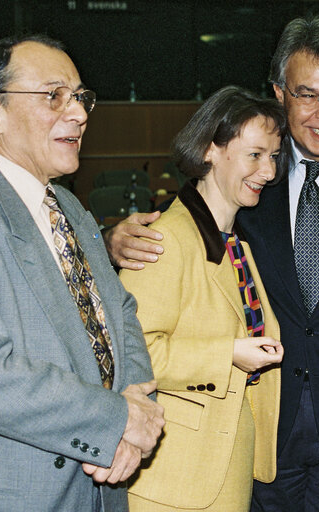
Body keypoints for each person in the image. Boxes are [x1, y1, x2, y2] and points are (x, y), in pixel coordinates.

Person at [106, 15, 319, 511]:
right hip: (256, 440)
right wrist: (113, 239)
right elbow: (184, 237)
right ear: (280, 93)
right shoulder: (251, 173)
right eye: (307, 94)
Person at [0, 35, 165, 512]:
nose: (79, 113)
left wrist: (133, 408)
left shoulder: (69, 209)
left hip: (98, 487)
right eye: (53, 95)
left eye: (81, 97)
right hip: (2, 496)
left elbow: (120, 314)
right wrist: (116, 421)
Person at [118, 85, 285, 511]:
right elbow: (134, 354)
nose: (268, 171)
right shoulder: (166, 239)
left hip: (220, 471)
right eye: (254, 155)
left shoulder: (235, 243)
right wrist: (227, 354)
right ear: (210, 151)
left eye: (273, 156)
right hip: (175, 484)